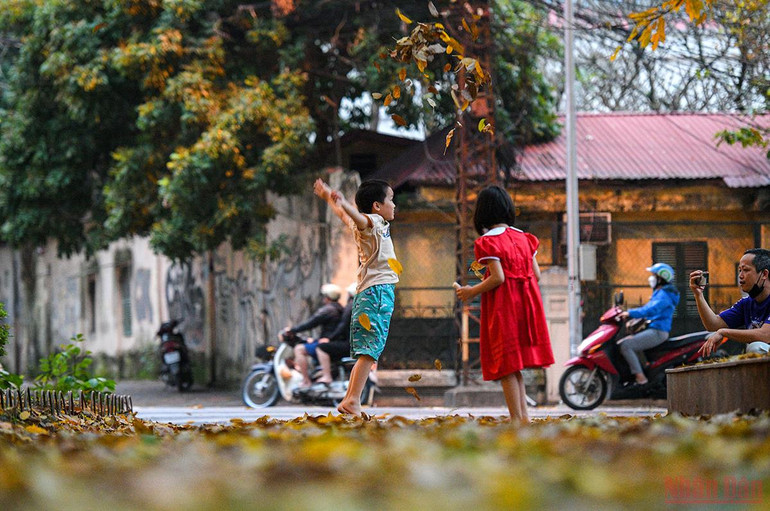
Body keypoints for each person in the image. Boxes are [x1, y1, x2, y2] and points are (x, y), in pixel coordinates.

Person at [454, 185, 554, 424]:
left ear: (482, 212)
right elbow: (536, 275)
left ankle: (517, 419)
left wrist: (470, 291)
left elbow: (498, 277)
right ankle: (523, 418)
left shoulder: (487, 241)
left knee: (507, 365)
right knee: (515, 365)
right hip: (528, 305)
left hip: (504, 306)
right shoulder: (524, 238)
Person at [314, 177, 398, 415]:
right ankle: (352, 400)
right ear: (377, 206)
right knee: (370, 351)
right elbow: (358, 218)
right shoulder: (373, 221)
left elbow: (345, 217)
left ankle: (350, 399)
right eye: (391, 200)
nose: (394, 205)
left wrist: (328, 197)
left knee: (367, 351)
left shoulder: (370, 226)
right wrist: (343, 202)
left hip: (369, 292)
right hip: (377, 292)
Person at [695, 248, 770, 357]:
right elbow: (713, 324)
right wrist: (698, 294)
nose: (740, 276)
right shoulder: (746, 303)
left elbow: (765, 335)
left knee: (756, 347)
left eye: (746, 270)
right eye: (740, 270)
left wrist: (723, 332)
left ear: (764, 274)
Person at [617, 263, 680, 385]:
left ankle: (641, 378)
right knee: (624, 343)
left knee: (626, 345)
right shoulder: (660, 292)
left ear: (661, 278)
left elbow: (651, 310)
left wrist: (629, 313)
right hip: (653, 329)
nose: (651, 278)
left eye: (654, 275)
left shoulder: (665, 295)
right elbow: (647, 309)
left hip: (657, 331)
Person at [284, 283, 343, 388]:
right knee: (309, 343)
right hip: (333, 341)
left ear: (327, 297)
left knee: (299, 349)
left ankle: (306, 381)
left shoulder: (327, 310)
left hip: (327, 343)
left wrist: (293, 330)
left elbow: (310, 323)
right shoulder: (340, 308)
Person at [314, 282, 357, 385]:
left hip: (348, 345)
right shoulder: (357, 308)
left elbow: (342, 326)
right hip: (356, 345)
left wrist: (330, 339)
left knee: (321, 348)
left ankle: (326, 376)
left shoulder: (349, 307)